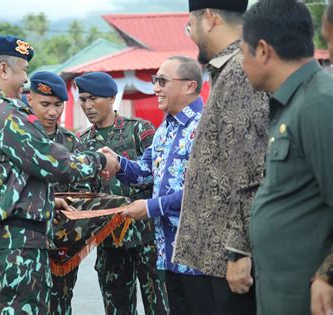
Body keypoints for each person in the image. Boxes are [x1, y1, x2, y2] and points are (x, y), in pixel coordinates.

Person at [0, 35, 119, 314]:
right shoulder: (6, 115)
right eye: (23, 72)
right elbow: (55, 163)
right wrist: (101, 159)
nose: (23, 80)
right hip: (16, 243)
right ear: (4, 70)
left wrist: (46, 201)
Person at [172, 1, 270, 314]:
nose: (190, 33)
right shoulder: (229, 68)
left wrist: (238, 252)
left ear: (210, 18)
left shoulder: (240, 70)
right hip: (220, 258)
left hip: (234, 260)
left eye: (191, 23)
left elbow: (248, 168)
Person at [241, 1, 333, 314]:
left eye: (244, 52)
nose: (242, 64)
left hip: (308, 298)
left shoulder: (319, 104)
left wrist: (328, 275)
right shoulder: (293, 104)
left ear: (263, 51)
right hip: (283, 295)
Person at [104, 56, 203, 314]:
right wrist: (117, 164)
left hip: (199, 255)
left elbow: (203, 193)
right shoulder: (164, 129)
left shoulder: (205, 127)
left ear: (190, 86)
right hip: (168, 254)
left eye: (162, 81)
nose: (155, 88)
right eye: (154, 80)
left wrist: (149, 207)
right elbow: (146, 171)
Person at [77, 72, 169, 315]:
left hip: (147, 237)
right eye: (82, 99)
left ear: (111, 98)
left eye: (93, 99)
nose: (87, 106)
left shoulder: (139, 130)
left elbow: (160, 176)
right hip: (110, 242)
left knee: (160, 306)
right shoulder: (83, 142)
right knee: (117, 309)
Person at [27, 71, 88, 314]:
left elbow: (84, 189)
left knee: (62, 300)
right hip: (27, 238)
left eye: (58, 105)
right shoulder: (19, 137)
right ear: (30, 100)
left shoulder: (71, 142)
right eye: (45, 104)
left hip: (63, 239)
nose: (52, 112)